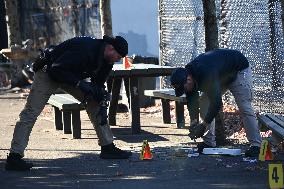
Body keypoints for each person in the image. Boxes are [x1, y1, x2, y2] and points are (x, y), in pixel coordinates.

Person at [5, 35, 132, 171]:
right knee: (30, 112)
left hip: (70, 75)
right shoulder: (85, 48)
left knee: (95, 102)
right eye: (118, 56)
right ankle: (14, 157)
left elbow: (98, 83)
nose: (118, 60)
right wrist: (80, 84)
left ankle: (108, 147)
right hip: (48, 72)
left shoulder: (107, 60)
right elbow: (56, 69)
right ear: (110, 48)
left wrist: (100, 95)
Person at [170, 49, 262, 157]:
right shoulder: (188, 76)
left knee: (244, 106)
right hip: (220, 76)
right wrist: (194, 123)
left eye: (183, 88)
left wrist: (203, 126)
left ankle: (256, 146)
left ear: (189, 79)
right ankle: (209, 143)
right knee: (204, 103)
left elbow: (216, 103)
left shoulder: (205, 72)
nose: (184, 91)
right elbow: (192, 102)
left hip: (238, 70)